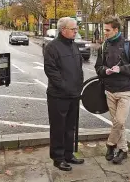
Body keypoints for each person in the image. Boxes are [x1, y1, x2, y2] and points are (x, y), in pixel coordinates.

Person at [95, 16, 130, 165]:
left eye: (107, 30)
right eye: (105, 30)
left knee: (120, 121)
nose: (105, 33)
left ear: (116, 29)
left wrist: (120, 69)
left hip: (125, 90)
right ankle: (123, 150)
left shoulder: (128, 45)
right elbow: (98, 68)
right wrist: (105, 71)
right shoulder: (104, 46)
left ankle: (110, 145)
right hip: (109, 90)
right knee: (118, 124)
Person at [43, 17, 85, 172]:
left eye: (76, 29)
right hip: (58, 96)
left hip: (74, 94)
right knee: (58, 127)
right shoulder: (52, 47)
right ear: (63, 30)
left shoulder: (73, 46)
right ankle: (58, 158)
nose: (76, 31)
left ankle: (69, 154)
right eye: (73, 29)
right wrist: (65, 87)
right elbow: (51, 71)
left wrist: (79, 85)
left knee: (70, 127)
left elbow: (79, 68)